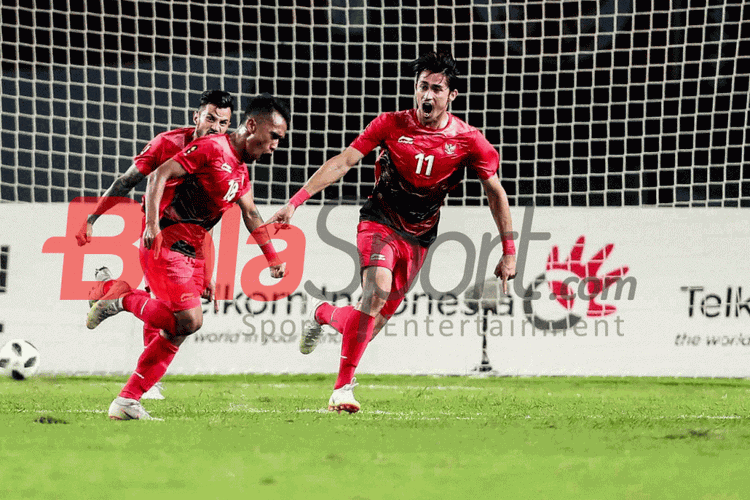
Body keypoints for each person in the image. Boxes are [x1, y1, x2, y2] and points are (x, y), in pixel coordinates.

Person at [269, 52, 516, 414]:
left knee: (371, 323)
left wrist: (509, 251)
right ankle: (342, 390)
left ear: (452, 96)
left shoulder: (468, 140)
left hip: (420, 236)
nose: (427, 96)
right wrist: (296, 202)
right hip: (379, 219)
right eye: (422, 87)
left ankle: (323, 313)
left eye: (436, 88)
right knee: (376, 291)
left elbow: (496, 191)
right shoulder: (390, 124)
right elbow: (344, 160)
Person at [86, 93, 291, 420]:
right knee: (188, 321)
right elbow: (158, 175)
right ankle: (121, 298)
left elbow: (251, 215)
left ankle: (126, 401)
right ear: (252, 125)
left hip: (192, 249)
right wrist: (151, 223)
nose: (276, 145)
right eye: (274, 136)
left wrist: (271, 257)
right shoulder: (212, 148)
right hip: (166, 241)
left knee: (178, 327)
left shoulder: (240, 173)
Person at [76, 89, 234, 400]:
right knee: (174, 311)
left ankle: (114, 292)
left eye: (224, 123)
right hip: (157, 233)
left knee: (175, 315)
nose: (215, 127)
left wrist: (208, 273)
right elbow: (127, 180)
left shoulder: (224, 157)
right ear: (196, 117)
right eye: (210, 118)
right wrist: (93, 218)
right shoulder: (167, 144)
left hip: (191, 243)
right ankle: (145, 383)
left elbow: (210, 224)